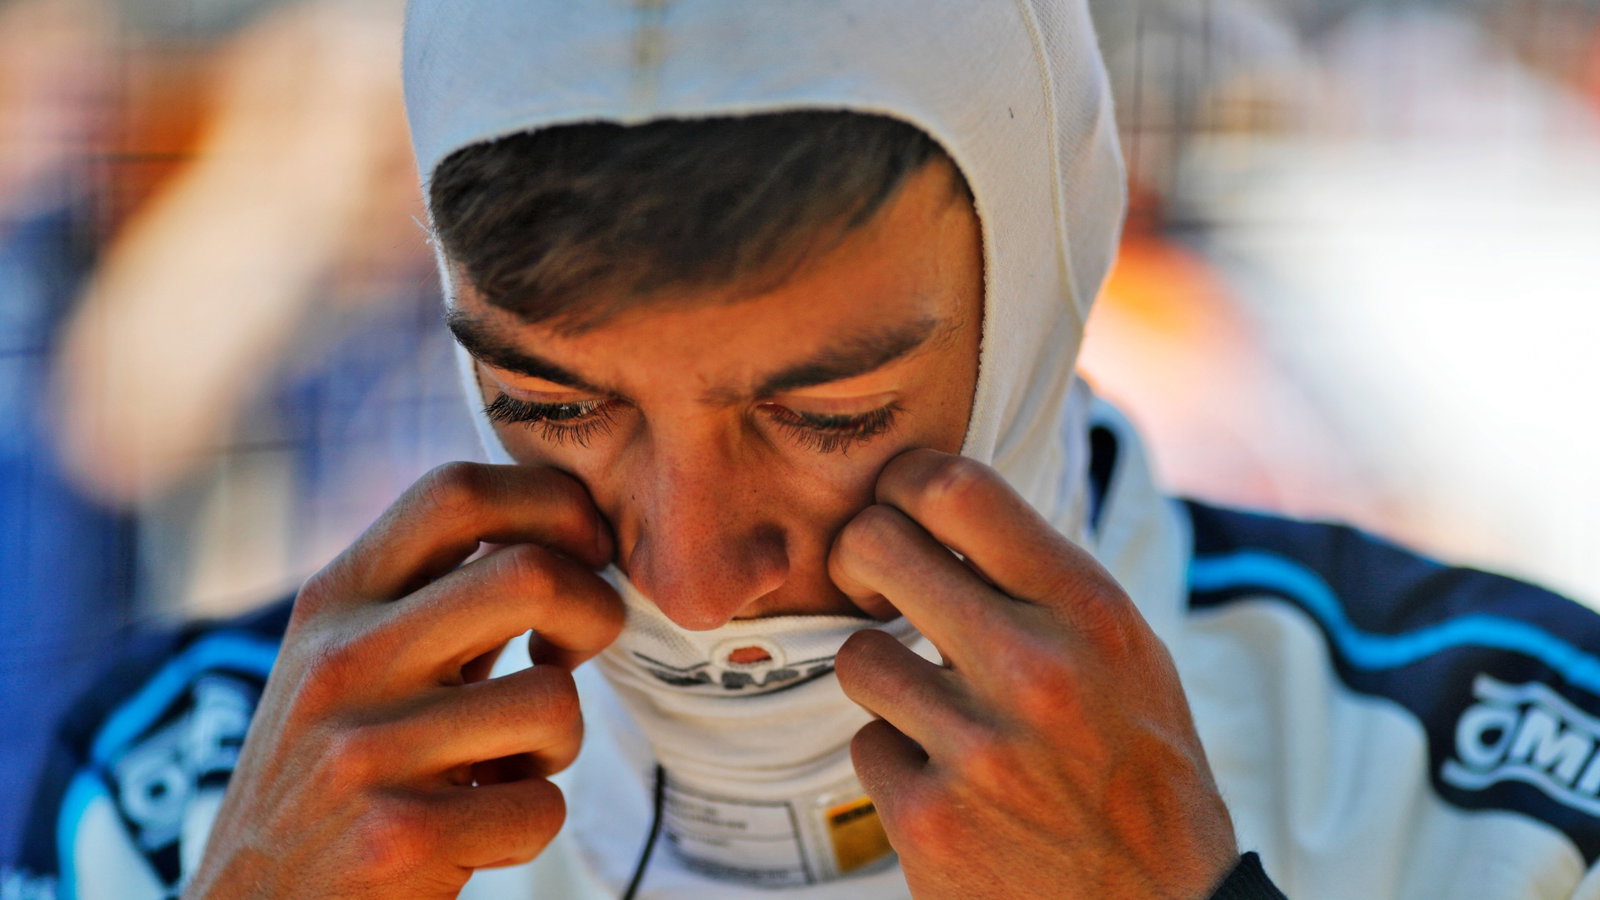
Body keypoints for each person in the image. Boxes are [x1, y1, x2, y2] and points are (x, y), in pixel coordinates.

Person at [9, 1, 1600, 898]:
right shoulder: (180, 807)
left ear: (1042, 282)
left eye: (831, 418)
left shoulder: (1484, 782)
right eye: (555, 410)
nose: (698, 581)